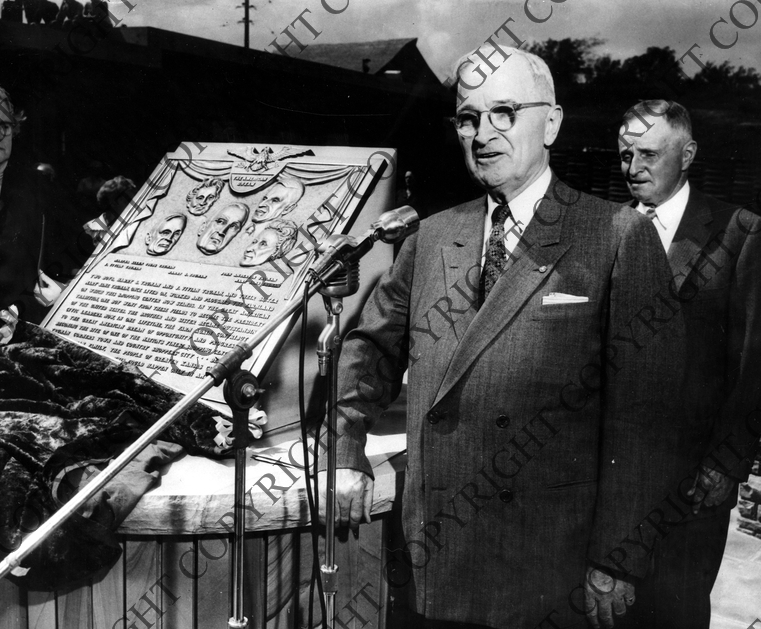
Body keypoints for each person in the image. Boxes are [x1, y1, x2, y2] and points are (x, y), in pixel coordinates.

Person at [323, 46, 686, 628]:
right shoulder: (432, 236)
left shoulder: (615, 235)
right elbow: (369, 351)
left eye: (505, 112)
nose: (483, 134)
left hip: (547, 557)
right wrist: (345, 453)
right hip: (436, 550)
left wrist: (617, 556)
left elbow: (647, 419)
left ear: (552, 123)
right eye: (468, 118)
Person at [617, 100, 761, 629]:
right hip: (608, 475)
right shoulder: (604, 228)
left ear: (688, 153)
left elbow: (753, 361)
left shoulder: (739, 232)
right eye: (625, 154)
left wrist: (727, 462)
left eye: (649, 154)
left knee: (675, 612)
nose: (634, 167)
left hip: (693, 479)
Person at [0, 84, 74, 359]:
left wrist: (57, 289)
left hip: (27, 341)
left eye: (5, 125)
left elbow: (69, 258)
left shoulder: (39, 191)